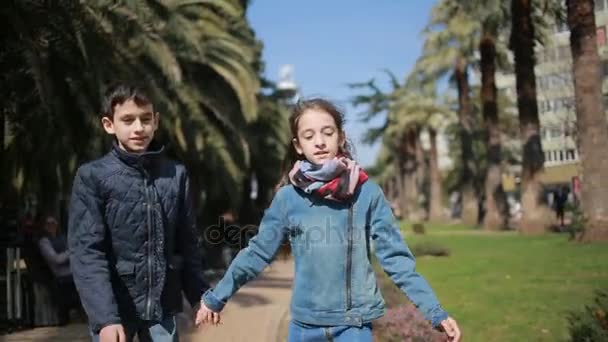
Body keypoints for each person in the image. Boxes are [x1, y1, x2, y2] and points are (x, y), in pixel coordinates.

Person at [195, 98, 461, 341]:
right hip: (304, 327)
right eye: (309, 136)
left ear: (341, 138)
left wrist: (435, 313)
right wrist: (217, 298)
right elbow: (257, 253)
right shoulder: (288, 198)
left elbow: (396, 259)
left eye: (327, 132)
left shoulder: (366, 192)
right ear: (298, 146)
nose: (319, 141)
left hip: (354, 326)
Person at [68, 83, 209, 342]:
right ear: (109, 125)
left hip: (161, 310)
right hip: (115, 311)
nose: (138, 128)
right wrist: (106, 319)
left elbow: (188, 243)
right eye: (128, 120)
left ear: (156, 122)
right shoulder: (92, 177)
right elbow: (87, 251)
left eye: (145, 119)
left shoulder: (175, 175)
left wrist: (200, 297)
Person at [37, 215, 78, 325]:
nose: (52, 227)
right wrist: (71, 252)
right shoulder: (44, 242)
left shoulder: (63, 237)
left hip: (73, 273)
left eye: (53, 224)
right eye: (49, 224)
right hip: (60, 276)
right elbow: (56, 260)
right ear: (45, 227)